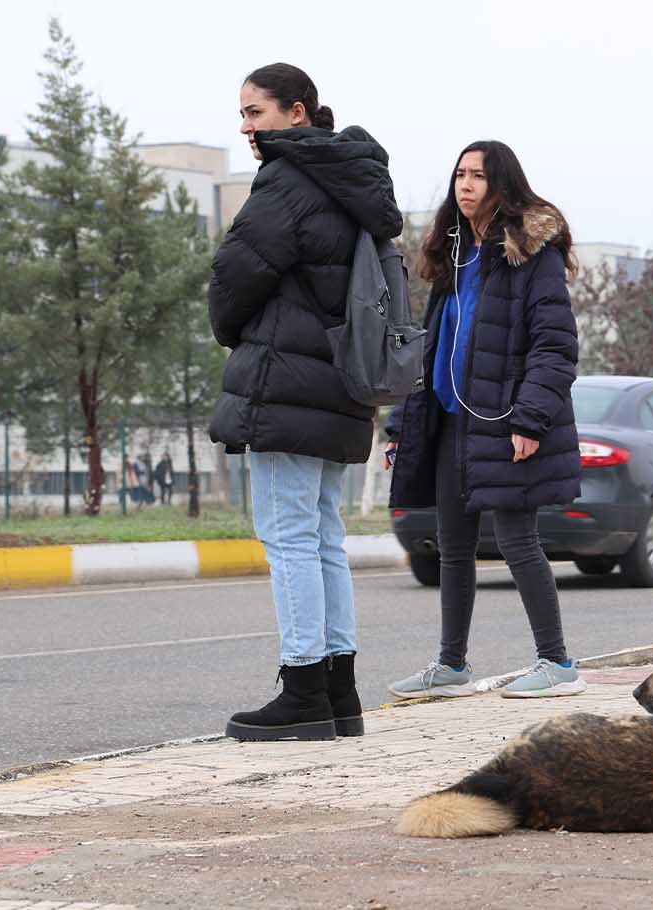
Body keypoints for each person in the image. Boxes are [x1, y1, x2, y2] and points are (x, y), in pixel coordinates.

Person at [207, 63, 402, 741]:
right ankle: (338, 691)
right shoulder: (355, 180)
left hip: (288, 381)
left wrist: (233, 332)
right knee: (322, 539)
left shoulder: (290, 178)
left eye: (255, 112)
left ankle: (303, 690)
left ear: (296, 113)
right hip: (341, 382)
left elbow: (236, 269)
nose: (245, 126)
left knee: (290, 538)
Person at [385, 140, 585, 700]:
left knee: (518, 540)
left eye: (478, 175)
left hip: (506, 419)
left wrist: (530, 420)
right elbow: (429, 349)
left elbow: (555, 345)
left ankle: (558, 663)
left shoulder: (528, 252)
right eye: (459, 175)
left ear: (502, 186)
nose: (465, 184)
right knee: (452, 547)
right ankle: (451, 666)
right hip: (451, 419)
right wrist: (403, 426)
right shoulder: (452, 254)